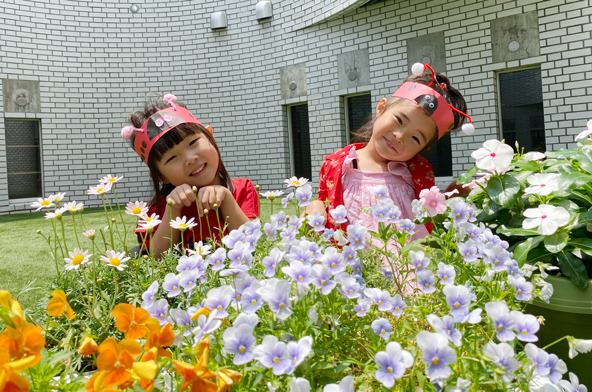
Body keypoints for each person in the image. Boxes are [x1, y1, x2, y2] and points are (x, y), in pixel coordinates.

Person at [306, 63, 474, 242]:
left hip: (405, 267)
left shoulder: (415, 174)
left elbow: (431, 211)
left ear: (423, 149)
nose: (400, 136)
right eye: (399, 120)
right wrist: (313, 208)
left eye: (416, 138)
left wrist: (457, 189)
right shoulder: (338, 165)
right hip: (353, 265)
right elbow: (323, 204)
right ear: (381, 108)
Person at [121, 93, 259, 258]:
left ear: (211, 137)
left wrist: (226, 199)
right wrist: (173, 210)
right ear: (160, 177)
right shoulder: (160, 209)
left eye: (193, 143)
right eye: (172, 158)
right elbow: (156, 259)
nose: (189, 159)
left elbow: (254, 243)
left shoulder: (242, 189)